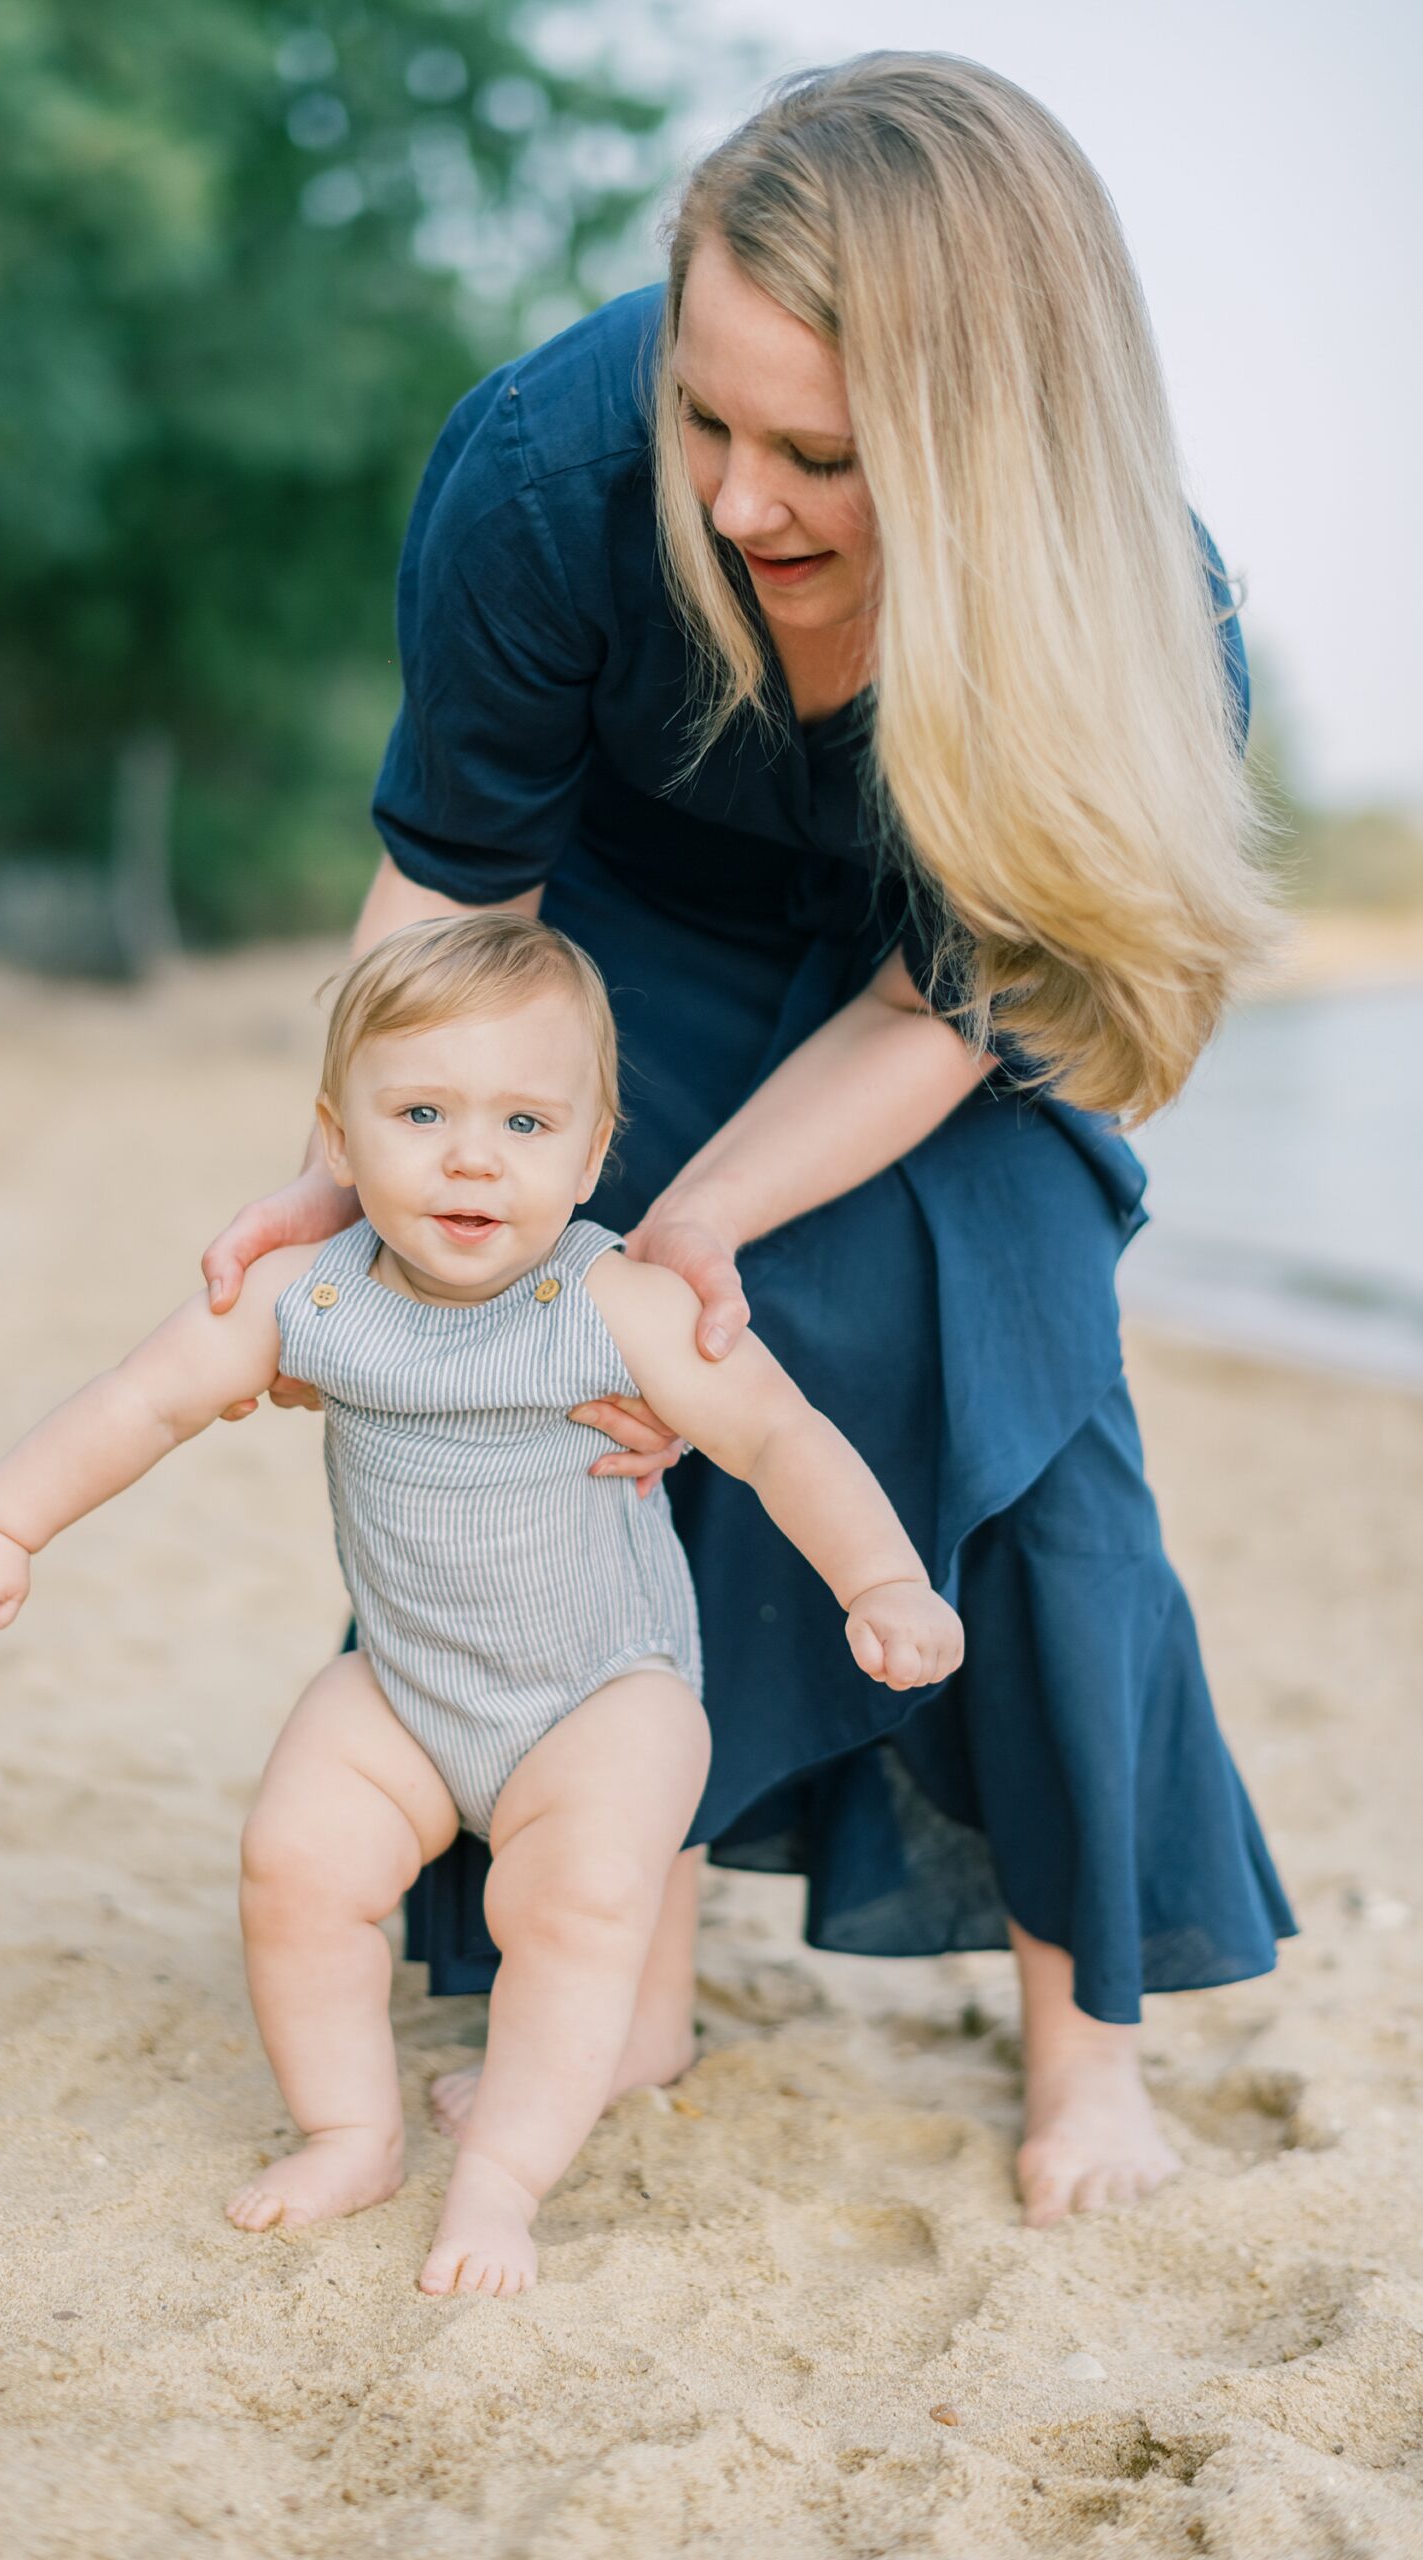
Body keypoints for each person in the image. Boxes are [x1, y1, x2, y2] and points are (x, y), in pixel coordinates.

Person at [202, 53, 1296, 2228]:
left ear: (986, 459)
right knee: (576, 1353)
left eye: (817, 456)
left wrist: (700, 1221)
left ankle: (1085, 2047)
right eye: (700, 419)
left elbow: (936, 1000)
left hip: (931, 990)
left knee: (1024, 1406)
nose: (733, 501)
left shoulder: (1136, 619)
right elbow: (451, 877)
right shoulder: (546, 467)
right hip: (611, 928)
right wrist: (364, 1156)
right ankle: (619, 1945)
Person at [0, 914, 963, 2296]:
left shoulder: (616, 1302)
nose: (474, 1156)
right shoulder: (310, 1297)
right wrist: (0, 1524)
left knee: (576, 1912)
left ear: (590, 1157)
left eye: (527, 1123)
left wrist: (881, 1579)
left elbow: (781, 1440)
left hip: (603, 1692)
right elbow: (140, 1400)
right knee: (294, 1865)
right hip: (403, 1688)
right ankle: (352, 2132)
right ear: (339, 1142)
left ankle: (505, 2185)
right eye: (422, 1113)